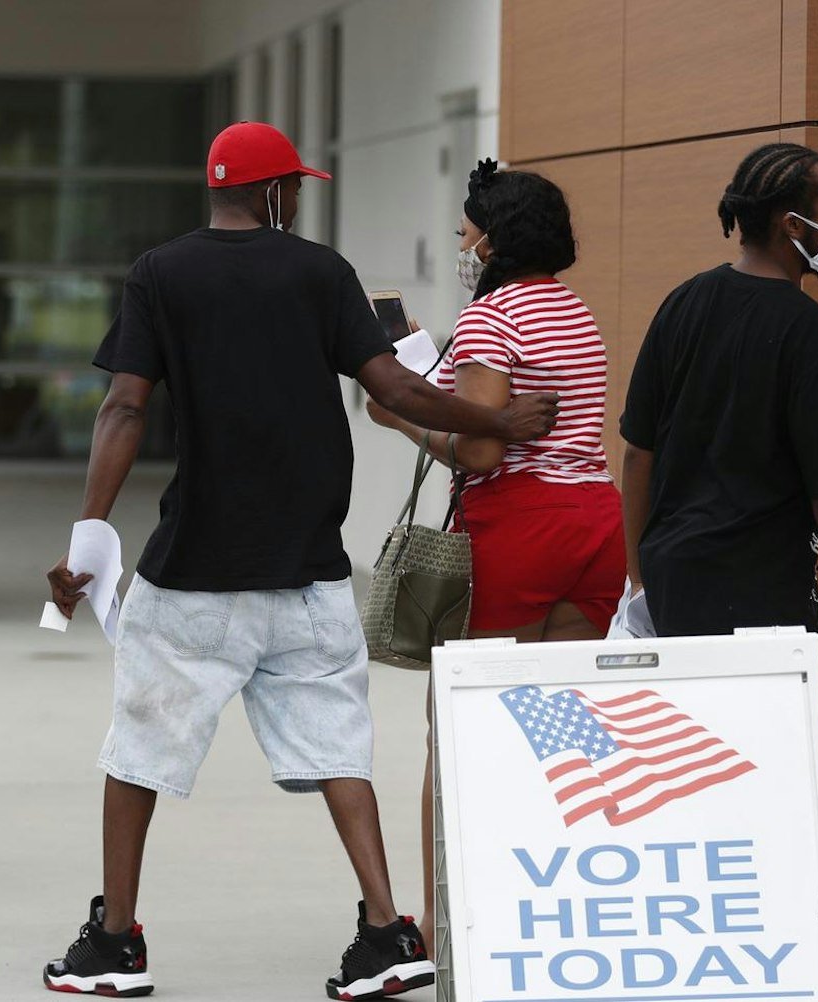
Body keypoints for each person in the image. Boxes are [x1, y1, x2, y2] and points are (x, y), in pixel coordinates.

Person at [40, 122, 560, 1000]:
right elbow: (390, 387)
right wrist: (498, 425)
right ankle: (389, 933)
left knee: (139, 752)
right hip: (310, 564)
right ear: (273, 191)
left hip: (195, 570)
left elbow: (124, 409)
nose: (301, 201)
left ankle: (115, 946)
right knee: (340, 752)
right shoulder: (321, 271)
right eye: (297, 187)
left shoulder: (159, 273)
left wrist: (87, 533)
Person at [365, 159, 624, 945]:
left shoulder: (491, 318)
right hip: (595, 527)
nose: (461, 244)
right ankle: (542, 916)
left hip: (518, 530)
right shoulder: (577, 312)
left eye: (467, 231)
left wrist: (402, 420)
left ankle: (445, 930)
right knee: (557, 732)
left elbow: (480, 453)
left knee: (460, 732)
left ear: (496, 238)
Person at [618, 141, 818, 706]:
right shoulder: (814, 336)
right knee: (761, 779)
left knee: (689, 771)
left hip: (673, 587)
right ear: (793, 224)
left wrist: (640, 577)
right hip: (761, 606)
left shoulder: (683, 302)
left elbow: (638, 452)